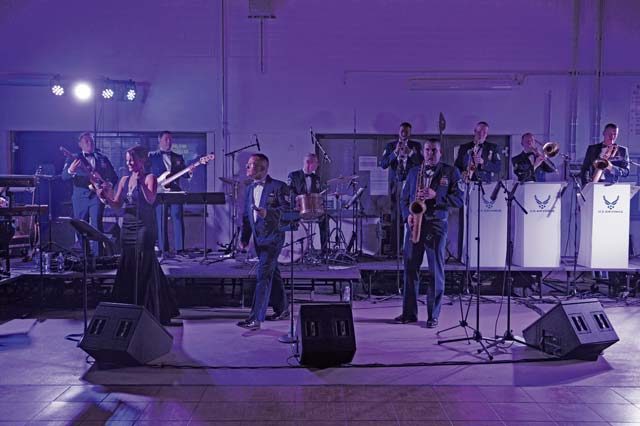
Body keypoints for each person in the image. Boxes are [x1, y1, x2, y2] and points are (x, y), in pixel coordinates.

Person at [98, 146, 178, 325]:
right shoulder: (124, 180)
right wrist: (105, 197)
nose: (129, 163)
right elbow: (117, 205)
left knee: (144, 263)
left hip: (144, 226)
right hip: (127, 226)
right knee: (128, 262)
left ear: (142, 160)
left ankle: (151, 309)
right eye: (127, 160)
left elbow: (150, 199)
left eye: (132, 160)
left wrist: (141, 180)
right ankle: (128, 307)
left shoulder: (150, 178)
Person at [395, 139, 463, 328]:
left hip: (436, 225)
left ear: (440, 153)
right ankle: (409, 313)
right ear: (423, 151)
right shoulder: (413, 172)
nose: (430, 153)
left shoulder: (451, 172)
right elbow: (403, 199)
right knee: (410, 269)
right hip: (415, 224)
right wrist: (407, 216)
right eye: (427, 150)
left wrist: (436, 196)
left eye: (434, 150)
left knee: (435, 271)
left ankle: (433, 316)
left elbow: (459, 200)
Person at [237, 153, 290, 330]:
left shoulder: (279, 187)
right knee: (272, 273)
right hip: (259, 239)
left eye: (251, 164)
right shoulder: (249, 188)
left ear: (262, 168)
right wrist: (244, 238)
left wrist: (268, 213)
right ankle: (283, 309)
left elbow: (287, 210)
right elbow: (247, 216)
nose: (247, 167)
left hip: (273, 238)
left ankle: (255, 319)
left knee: (263, 276)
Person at [61, 132, 118, 255]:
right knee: (80, 226)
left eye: (91, 140)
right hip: (80, 198)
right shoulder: (74, 158)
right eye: (86, 141)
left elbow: (114, 176)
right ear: (80, 144)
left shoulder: (102, 158)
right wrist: (71, 170)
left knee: (97, 225)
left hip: (97, 196)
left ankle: (99, 257)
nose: (90, 143)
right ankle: (85, 256)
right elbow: (64, 176)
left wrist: (108, 184)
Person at [380, 122, 424, 255]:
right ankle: (395, 249)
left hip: (411, 183)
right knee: (395, 215)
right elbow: (383, 164)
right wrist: (395, 153)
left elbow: (422, 163)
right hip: (396, 183)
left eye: (406, 131)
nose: (404, 133)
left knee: (410, 213)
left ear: (410, 133)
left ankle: (411, 246)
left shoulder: (416, 146)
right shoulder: (390, 146)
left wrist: (410, 153)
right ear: (399, 131)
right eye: (402, 131)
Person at [148, 131, 187, 255]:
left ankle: (180, 249)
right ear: (159, 140)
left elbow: (185, 174)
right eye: (166, 139)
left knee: (178, 217)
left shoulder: (178, 157)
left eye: (170, 139)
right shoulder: (151, 156)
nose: (168, 142)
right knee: (161, 220)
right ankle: (163, 249)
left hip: (175, 192)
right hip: (159, 192)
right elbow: (147, 173)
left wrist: (190, 170)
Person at [287, 153, 327, 253]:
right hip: (298, 208)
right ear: (309, 162)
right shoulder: (293, 175)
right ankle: (294, 251)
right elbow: (289, 190)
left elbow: (318, 192)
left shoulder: (316, 178)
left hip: (313, 208)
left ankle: (324, 250)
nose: (318, 165)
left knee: (325, 218)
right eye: (316, 163)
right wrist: (296, 198)